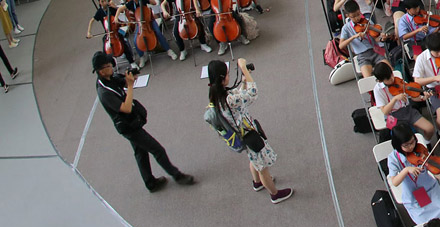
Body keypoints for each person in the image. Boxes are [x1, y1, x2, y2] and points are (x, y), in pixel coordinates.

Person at [94, 51, 196, 192]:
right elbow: (127, 108)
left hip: (129, 123)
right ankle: (177, 176)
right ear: (101, 71)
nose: (112, 66)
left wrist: (130, 77)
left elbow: (121, 80)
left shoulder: (110, 77)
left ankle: (150, 183)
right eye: (108, 65)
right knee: (157, 150)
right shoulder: (104, 93)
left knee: (140, 152)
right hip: (128, 126)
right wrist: (130, 86)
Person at [207, 58, 292, 203]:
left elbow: (238, 94)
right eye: (227, 74)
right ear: (222, 78)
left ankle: (257, 182)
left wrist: (244, 81)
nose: (229, 76)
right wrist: (244, 69)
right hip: (248, 134)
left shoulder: (217, 94)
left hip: (242, 134)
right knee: (262, 167)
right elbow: (253, 94)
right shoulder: (228, 99)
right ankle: (274, 194)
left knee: (253, 159)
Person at [386, 123, 440, 224]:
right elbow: (395, 182)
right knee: (428, 225)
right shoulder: (393, 158)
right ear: (398, 145)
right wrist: (406, 170)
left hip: (431, 189)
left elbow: (433, 169)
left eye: (412, 142)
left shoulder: (420, 149)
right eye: (406, 145)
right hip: (413, 197)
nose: (411, 147)